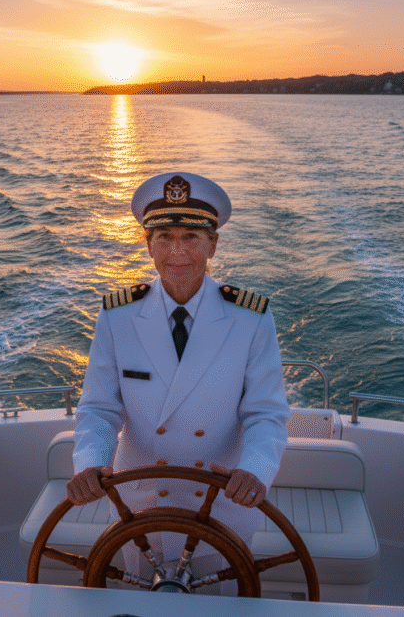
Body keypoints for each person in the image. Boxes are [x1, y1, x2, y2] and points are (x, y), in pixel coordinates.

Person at [68, 172, 290, 588]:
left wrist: (254, 470)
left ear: (213, 244)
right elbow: (100, 407)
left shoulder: (250, 318)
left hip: (222, 505)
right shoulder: (117, 315)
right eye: (164, 236)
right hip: (139, 506)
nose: (177, 252)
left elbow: (266, 413)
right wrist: (91, 463)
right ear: (147, 244)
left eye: (191, 236)